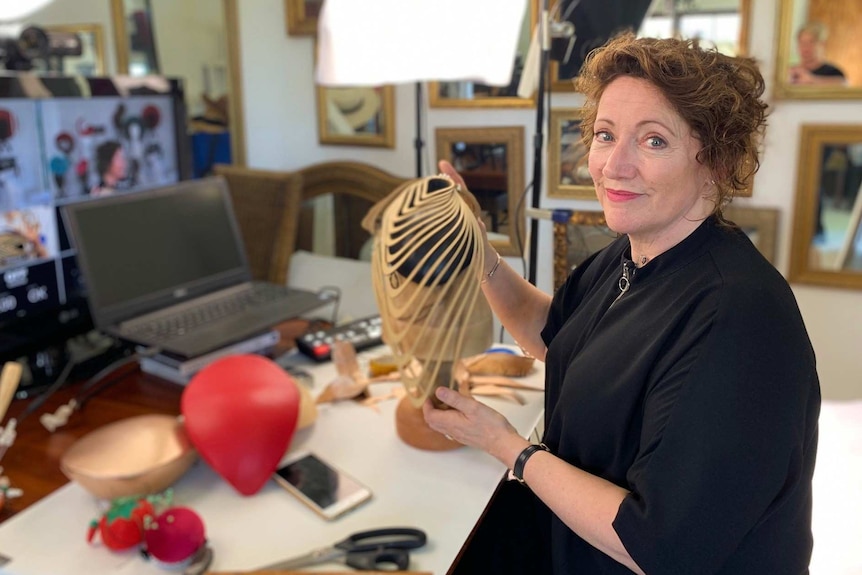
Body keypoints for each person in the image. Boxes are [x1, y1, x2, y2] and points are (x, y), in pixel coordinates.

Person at [423, 32, 820, 574]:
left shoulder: (738, 317)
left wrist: (508, 448)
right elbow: (552, 335)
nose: (615, 165)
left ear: (718, 163)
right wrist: (479, 250)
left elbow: (655, 544)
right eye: (606, 135)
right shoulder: (630, 256)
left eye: (653, 140)